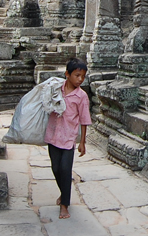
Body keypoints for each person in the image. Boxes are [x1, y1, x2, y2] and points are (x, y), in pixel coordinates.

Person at [44, 58, 92, 219]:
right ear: (67, 74)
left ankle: (65, 205)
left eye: (83, 77)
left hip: (68, 138)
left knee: (65, 169)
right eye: (77, 75)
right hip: (53, 135)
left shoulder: (81, 96)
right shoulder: (56, 89)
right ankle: (63, 192)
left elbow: (84, 120)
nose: (80, 79)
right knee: (56, 169)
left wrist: (82, 142)